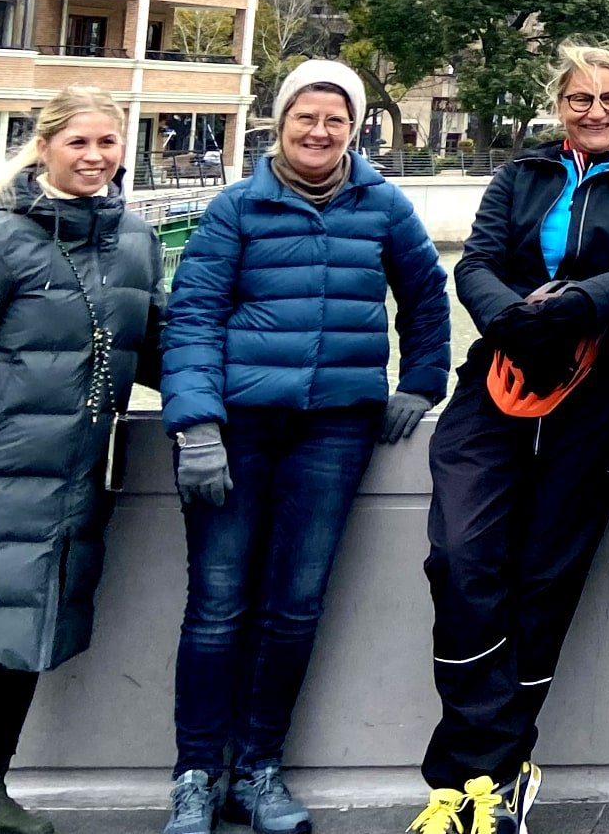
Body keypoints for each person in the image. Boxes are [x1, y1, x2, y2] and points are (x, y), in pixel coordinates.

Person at [160, 60, 451, 834]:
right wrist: (194, 423)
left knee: (294, 607)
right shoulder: (235, 209)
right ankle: (195, 773)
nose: (319, 132)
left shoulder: (384, 206)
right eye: (305, 118)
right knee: (218, 605)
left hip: (334, 428)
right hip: (237, 426)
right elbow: (191, 318)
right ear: (280, 123)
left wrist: (420, 382)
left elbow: (426, 295)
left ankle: (258, 768)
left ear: (353, 129)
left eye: (335, 120)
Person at [409, 41, 609, 834]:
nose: (596, 111)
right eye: (580, 98)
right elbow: (476, 262)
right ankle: (482, 765)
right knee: (460, 558)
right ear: (557, 104)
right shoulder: (519, 175)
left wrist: (560, 313)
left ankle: (480, 785)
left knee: (545, 579)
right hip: (497, 381)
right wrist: (512, 320)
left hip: (597, 393)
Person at [0, 89, 164, 834]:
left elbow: (154, 344)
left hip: (79, 476)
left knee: (25, 635)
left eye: (109, 143)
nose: (95, 157)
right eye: (79, 141)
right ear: (45, 145)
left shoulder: (136, 241)